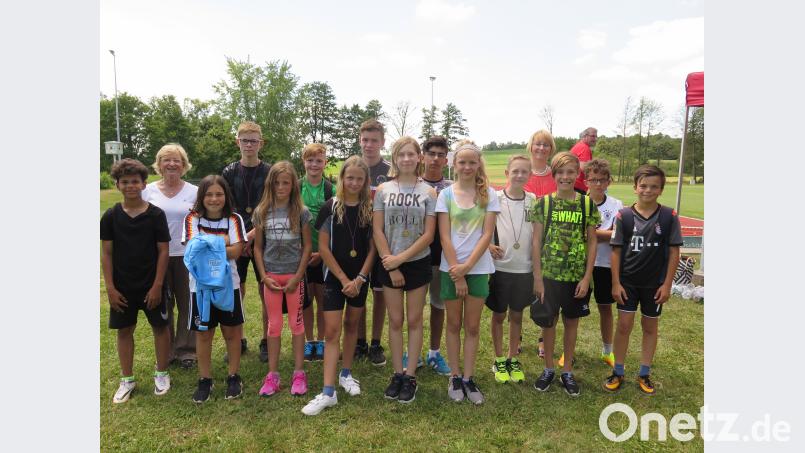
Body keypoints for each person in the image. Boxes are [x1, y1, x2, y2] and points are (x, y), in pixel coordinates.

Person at [302, 156, 376, 415]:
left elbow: (373, 249)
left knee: (352, 325)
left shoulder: (370, 208)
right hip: (335, 278)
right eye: (350, 177)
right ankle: (328, 391)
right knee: (332, 332)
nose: (354, 183)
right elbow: (323, 247)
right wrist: (344, 279)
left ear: (365, 181)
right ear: (342, 178)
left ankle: (346, 373)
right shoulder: (330, 206)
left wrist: (360, 278)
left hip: (360, 279)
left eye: (359, 179)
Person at [603, 165, 682, 395]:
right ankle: (618, 371)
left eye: (654, 186)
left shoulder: (668, 216)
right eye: (643, 185)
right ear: (635, 187)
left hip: (655, 284)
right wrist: (615, 283)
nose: (648, 190)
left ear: (661, 189)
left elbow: (674, 252)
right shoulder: (624, 216)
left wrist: (667, 284)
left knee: (650, 326)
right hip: (628, 282)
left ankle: (644, 372)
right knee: (624, 325)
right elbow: (616, 251)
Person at [101, 159, 172, 404]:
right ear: (117, 185)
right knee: (124, 330)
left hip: (152, 284)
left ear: (144, 184)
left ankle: (162, 373)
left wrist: (157, 285)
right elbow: (106, 253)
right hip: (122, 286)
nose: (130, 186)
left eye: (135, 181)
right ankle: (127, 379)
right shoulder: (111, 216)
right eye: (125, 182)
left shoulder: (156, 215)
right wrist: (110, 288)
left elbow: (163, 251)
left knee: (160, 328)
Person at [372, 137, 437, 404]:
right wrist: (391, 262)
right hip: (389, 261)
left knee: (414, 320)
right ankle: (397, 373)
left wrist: (401, 259)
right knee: (396, 320)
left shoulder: (429, 192)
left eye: (411, 154)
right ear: (395, 158)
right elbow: (378, 229)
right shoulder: (383, 189)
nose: (407, 159)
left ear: (419, 157)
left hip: (417, 261)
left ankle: (410, 376)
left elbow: (429, 234)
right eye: (402, 154)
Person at [530, 151, 600, 397]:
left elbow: (592, 242)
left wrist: (586, 277)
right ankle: (549, 368)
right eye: (560, 172)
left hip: (575, 277)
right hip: (549, 276)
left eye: (570, 172)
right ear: (554, 174)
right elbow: (536, 241)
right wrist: (538, 277)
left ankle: (567, 370)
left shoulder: (587, 204)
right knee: (548, 322)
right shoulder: (544, 204)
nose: (565, 177)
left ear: (577, 174)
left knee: (572, 323)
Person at [437, 142, 500, 405]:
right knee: (453, 324)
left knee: (472, 327)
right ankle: (454, 376)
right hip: (451, 270)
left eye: (472, 162)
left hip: (478, 269)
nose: (466, 167)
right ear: (454, 164)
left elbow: (487, 235)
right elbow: (444, 236)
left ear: (478, 164)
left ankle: (468, 378)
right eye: (462, 162)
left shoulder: (489, 194)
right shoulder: (445, 195)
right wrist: (458, 272)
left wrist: (468, 268)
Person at [183, 175, 248, 403]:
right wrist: (224, 242)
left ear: (226, 196)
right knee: (203, 334)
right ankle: (205, 379)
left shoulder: (234, 219)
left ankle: (233, 376)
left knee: (232, 333)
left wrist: (207, 243)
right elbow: (193, 251)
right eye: (209, 194)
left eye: (219, 194)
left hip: (229, 285)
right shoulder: (192, 218)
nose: (214, 199)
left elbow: (237, 251)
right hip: (199, 287)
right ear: (201, 196)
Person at [253, 162, 312, 397]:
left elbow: (307, 247)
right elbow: (258, 248)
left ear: (293, 185)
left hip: (294, 278)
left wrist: (298, 276)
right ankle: (273, 375)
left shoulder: (301, 212)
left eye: (286, 182)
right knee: (274, 325)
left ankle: (299, 373)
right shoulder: (261, 212)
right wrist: (264, 276)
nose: (281, 187)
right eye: (276, 182)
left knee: (297, 325)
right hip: (271, 278)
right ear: (270, 184)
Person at [142, 143, 198, 369]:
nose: (172, 164)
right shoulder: (148, 191)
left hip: (187, 256)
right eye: (167, 160)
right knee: (163, 305)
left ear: (184, 165)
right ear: (159, 164)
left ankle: (187, 350)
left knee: (187, 304)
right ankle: (167, 350)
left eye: (177, 160)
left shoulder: (194, 192)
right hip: (157, 256)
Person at [221, 121, 271, 362]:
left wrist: (253, 236)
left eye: (253, 140)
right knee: (236, 289)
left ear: (261, 143)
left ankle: (266, 340)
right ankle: (238, 339)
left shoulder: (269, 172)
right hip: (236, 240)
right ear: (237, 142)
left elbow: (272, 205)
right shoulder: (229, 172)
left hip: (264, 238)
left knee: (266, 290)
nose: (249, 145)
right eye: (245, 140)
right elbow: (225, 208)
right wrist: (241, 239)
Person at [486, 155, 536, 384]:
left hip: (524, 268)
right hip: (500, 267)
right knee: (499, 315)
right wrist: (488, 245)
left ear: (530, 175)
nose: (519, 175)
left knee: (517, 315)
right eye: (515, 171)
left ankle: (512, 358)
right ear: (507, 173)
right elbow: (482, 226)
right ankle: (498, 359)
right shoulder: (494, 198)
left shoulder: (533, 200)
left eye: (524, 171)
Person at [521, 129, 558, 359]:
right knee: (520, 291)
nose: (541, 148)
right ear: (531, 146)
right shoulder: (522, 172)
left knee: (548, 293)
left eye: (546, 144)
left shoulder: (556, 175)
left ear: (551, 149)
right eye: (538, 144)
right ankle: (516, 337)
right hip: (522, 239)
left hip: (549, 242)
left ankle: (544, 338)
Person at [584, 159, 623, 368]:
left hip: (605, 264)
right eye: (593, 180)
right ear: (586, 181)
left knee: (605, 307)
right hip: (581, 263)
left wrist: (592, 234)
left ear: (609, 181)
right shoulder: (579, 202)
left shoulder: (616, 205)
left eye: (602, 180)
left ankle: (608, 351)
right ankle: (568, 351)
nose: (598, 184)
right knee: (573, 310)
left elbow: (617, 235)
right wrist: (603, 233)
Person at [419, 136, 452, 376]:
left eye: (441, 155)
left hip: (443, 256)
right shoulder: (413, 185)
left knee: (438, 305)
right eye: (431, 154)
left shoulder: (452, 188)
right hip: (417, 255)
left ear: (446, 160)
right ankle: (411, 352)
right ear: (423, 156)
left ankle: (434, 352)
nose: (436, 159)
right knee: (414, 308)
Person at [358, 119, 389, 366]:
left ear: (382, 142)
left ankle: (376, 342)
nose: (369, 145)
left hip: (383, 241)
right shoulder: (353, 167)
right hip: (356, 241)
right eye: (365, 140)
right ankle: (359, 341)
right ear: (360, 141)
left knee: (380, 295)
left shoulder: (391, 171)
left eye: (374, 140)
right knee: (358, 292)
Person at [299, 143, 334, 362]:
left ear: (325, 163)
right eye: (310, 160)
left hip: (323, 253)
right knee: (305, 299)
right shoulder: (296, 187)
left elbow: (334, 223)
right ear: (303, 162)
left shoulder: (331, 189)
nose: (314, 164)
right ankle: (308, 340)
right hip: (301, 252)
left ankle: (321, 341)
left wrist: (322, 252)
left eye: (319, 160)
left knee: (322, 298)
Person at [570, 127, 598, 194]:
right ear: (585, 136)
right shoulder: (584, 148)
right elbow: (584, 168)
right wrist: (598, 177)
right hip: (577, 186)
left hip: (572, 184)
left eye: (596, 136)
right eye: (593, 136)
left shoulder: (578, 146)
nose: (595, 139)